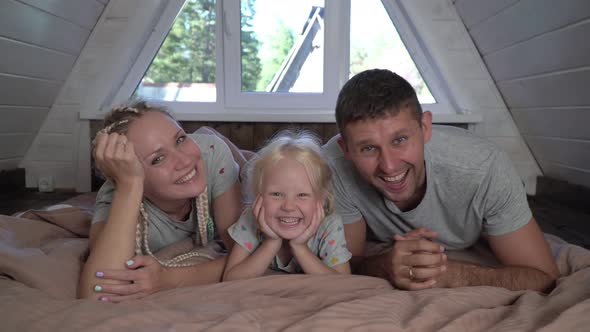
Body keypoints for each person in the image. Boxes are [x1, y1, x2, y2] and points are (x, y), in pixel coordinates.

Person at [322, 69, 559, 291]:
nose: (389, 165)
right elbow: (346, 262)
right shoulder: (332, 167)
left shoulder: (485, 167)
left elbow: (543, 276)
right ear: (347, 150)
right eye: (369, 148)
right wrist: (384, 266)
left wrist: (453, 274)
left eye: (400, 140)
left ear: (425, 127)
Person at [78, 101, 242, 301]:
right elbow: (97, 294)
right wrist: (129, 187)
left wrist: (168, 279)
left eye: (180, 139)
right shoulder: (116, 196)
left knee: (259, 172)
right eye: (157, 159)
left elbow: (242, 258)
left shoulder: (212, 154)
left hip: (221, 154)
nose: (183, 161)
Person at [223, 130, 351, 281]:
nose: (289, 207)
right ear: (259, 196)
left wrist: (300, 247)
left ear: (321, 200)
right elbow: (230, 279)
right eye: (276, 194)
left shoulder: (329, 226)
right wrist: (271, 242)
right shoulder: (251, 219)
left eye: (302, 195)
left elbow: (343, 283)